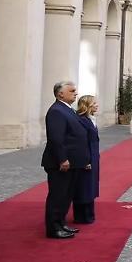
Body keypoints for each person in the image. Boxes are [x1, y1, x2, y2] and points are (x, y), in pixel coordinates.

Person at [41, 81, 90, 239]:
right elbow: (56, 139)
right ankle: (53, 228)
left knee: (66, 195)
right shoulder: (56, 111)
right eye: (72, 91)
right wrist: (62, 159)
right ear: (60, 93)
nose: (76, 93)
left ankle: (61, 223)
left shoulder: (67, 109)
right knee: (58, 196)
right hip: (61, 163)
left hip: (72, 163)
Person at [73, 95, 100, 224]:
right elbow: (81, 142)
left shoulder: (90, 119)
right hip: (86, 157)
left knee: (90, 185)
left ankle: (89, 214)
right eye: (94, 103)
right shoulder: (81, 120)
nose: (97, 105)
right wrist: (86, 160)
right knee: (83, 186)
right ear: (87, 105)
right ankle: (81, 216)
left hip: (93, 156)